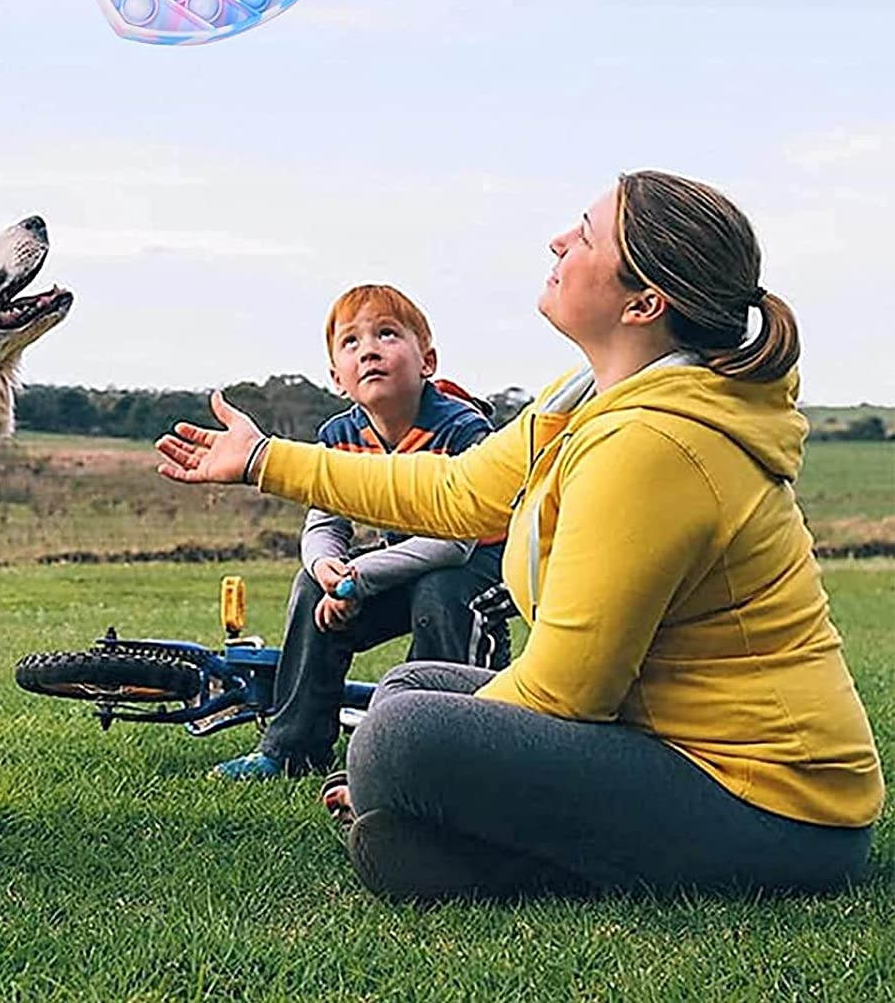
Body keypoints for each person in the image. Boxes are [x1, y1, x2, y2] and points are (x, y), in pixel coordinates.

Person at [157, 171, 884, 899]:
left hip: (775, 808)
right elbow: (458, 492)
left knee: (398, 737)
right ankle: (437, 831)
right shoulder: (584, 400)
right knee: (408, 688)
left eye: (587, 233)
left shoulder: (655, 444)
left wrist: (433, 765)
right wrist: (262, 460)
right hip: (672, 745)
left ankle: (457, 841)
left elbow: (570, 693)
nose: (559, 239)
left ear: (644, 302)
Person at [212, 283, 505, 782]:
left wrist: (358, 578)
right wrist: (329, 571)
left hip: (481, 565)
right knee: (309, 586)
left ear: (427, 360)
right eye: (350, 342)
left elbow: (456, 540)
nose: (368, 349)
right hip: (402, 560)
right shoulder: (339, 436)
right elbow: (325, 523)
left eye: (387, 334)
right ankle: (294, 748)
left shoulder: (461, 428)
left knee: (442, 594)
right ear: (337, 378)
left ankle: (439, 751)